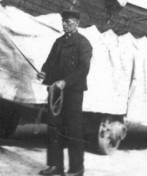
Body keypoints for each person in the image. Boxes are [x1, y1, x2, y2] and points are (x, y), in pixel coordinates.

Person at [37, 10, 92, 176]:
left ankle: (76, 168)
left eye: (67, 22)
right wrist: (44, 72)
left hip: (73, 93)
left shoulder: (83, 43)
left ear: (76, 23)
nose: (64, 24)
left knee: (74, 130)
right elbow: (49, 62)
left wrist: (66, 82)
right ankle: (55, 166)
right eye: (63, 21)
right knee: (54, 128)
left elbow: (83, 69)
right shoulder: (59, 42)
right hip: (56, 91)